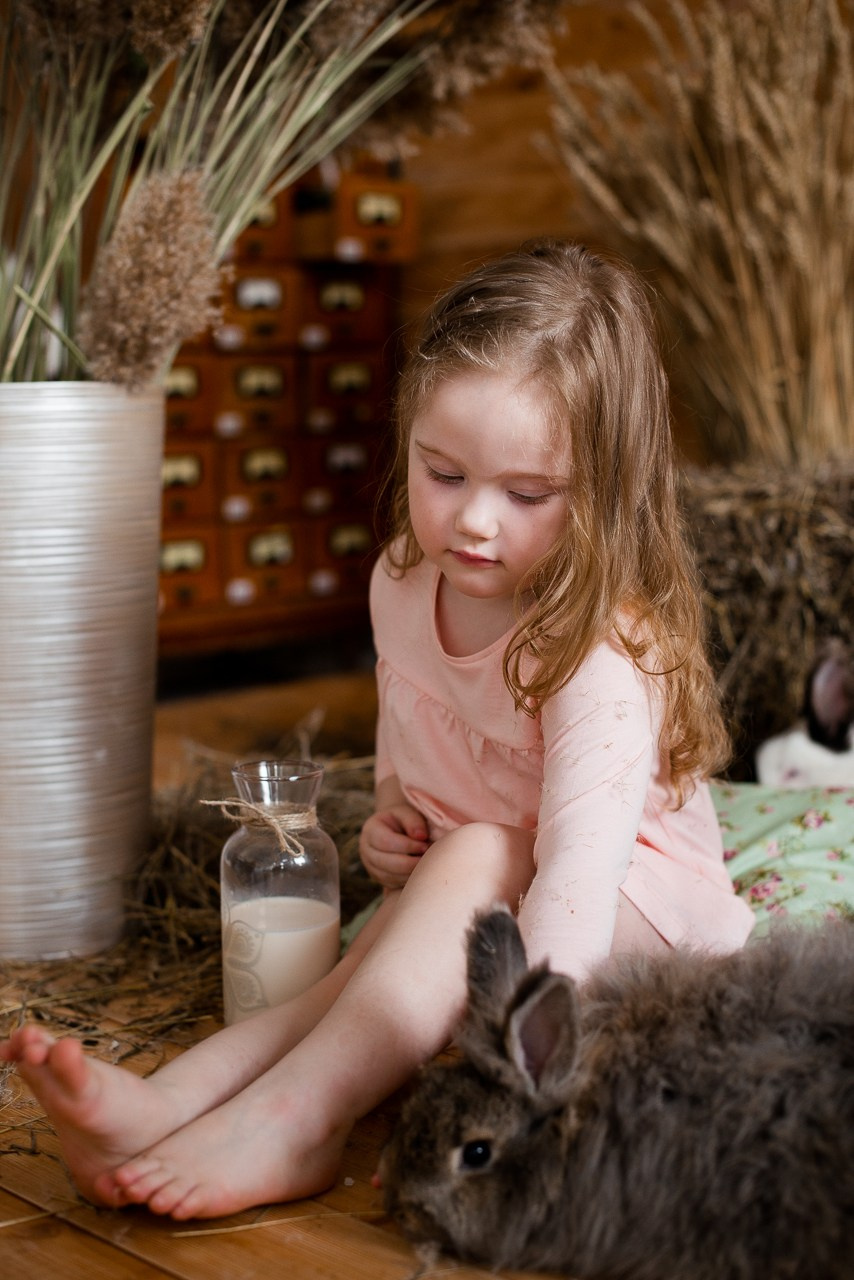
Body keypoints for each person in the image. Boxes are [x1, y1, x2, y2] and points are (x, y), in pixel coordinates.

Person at [0, 240, 754, 1220]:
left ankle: (298, 1119)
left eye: (526, 494)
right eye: (444, 472)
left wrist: (515, 1053)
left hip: (622, 911)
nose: (473, 520)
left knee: (457, 884)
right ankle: (170, 1099)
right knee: (358, 980)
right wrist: (393, 821)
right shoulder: (401, 580)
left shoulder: (594, 653)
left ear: (603, 492)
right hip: (486, 885)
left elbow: (576, 871)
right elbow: (411, 751)